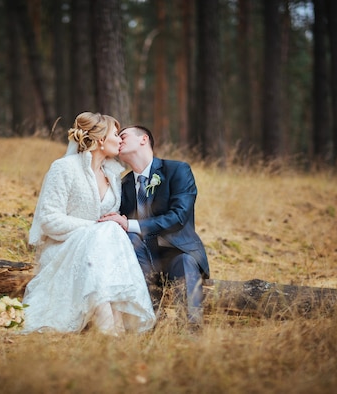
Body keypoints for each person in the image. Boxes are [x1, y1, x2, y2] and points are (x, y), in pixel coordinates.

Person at [22, 113, 156, 335]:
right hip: (63, 248)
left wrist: (104, 229)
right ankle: (111, 329)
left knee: (109, 232)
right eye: (116, 134)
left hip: (98, 255)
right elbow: (48, 220)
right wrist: (94, 228)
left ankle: (115, 326)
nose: (120, 140)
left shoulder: (113, 176)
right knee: (106, 232)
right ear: (101, 140)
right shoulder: (64, 168)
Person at [100, 125, 209, 330]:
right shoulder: (122, 185)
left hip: (175, 251)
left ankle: (190, 331)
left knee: (185, 261)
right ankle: (147, 327)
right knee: (129, 242)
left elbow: (179, 216)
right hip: (138, 254)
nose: (118, 141)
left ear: (144, 139)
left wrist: (130, 224)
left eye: (123, 136)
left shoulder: (177, 170)